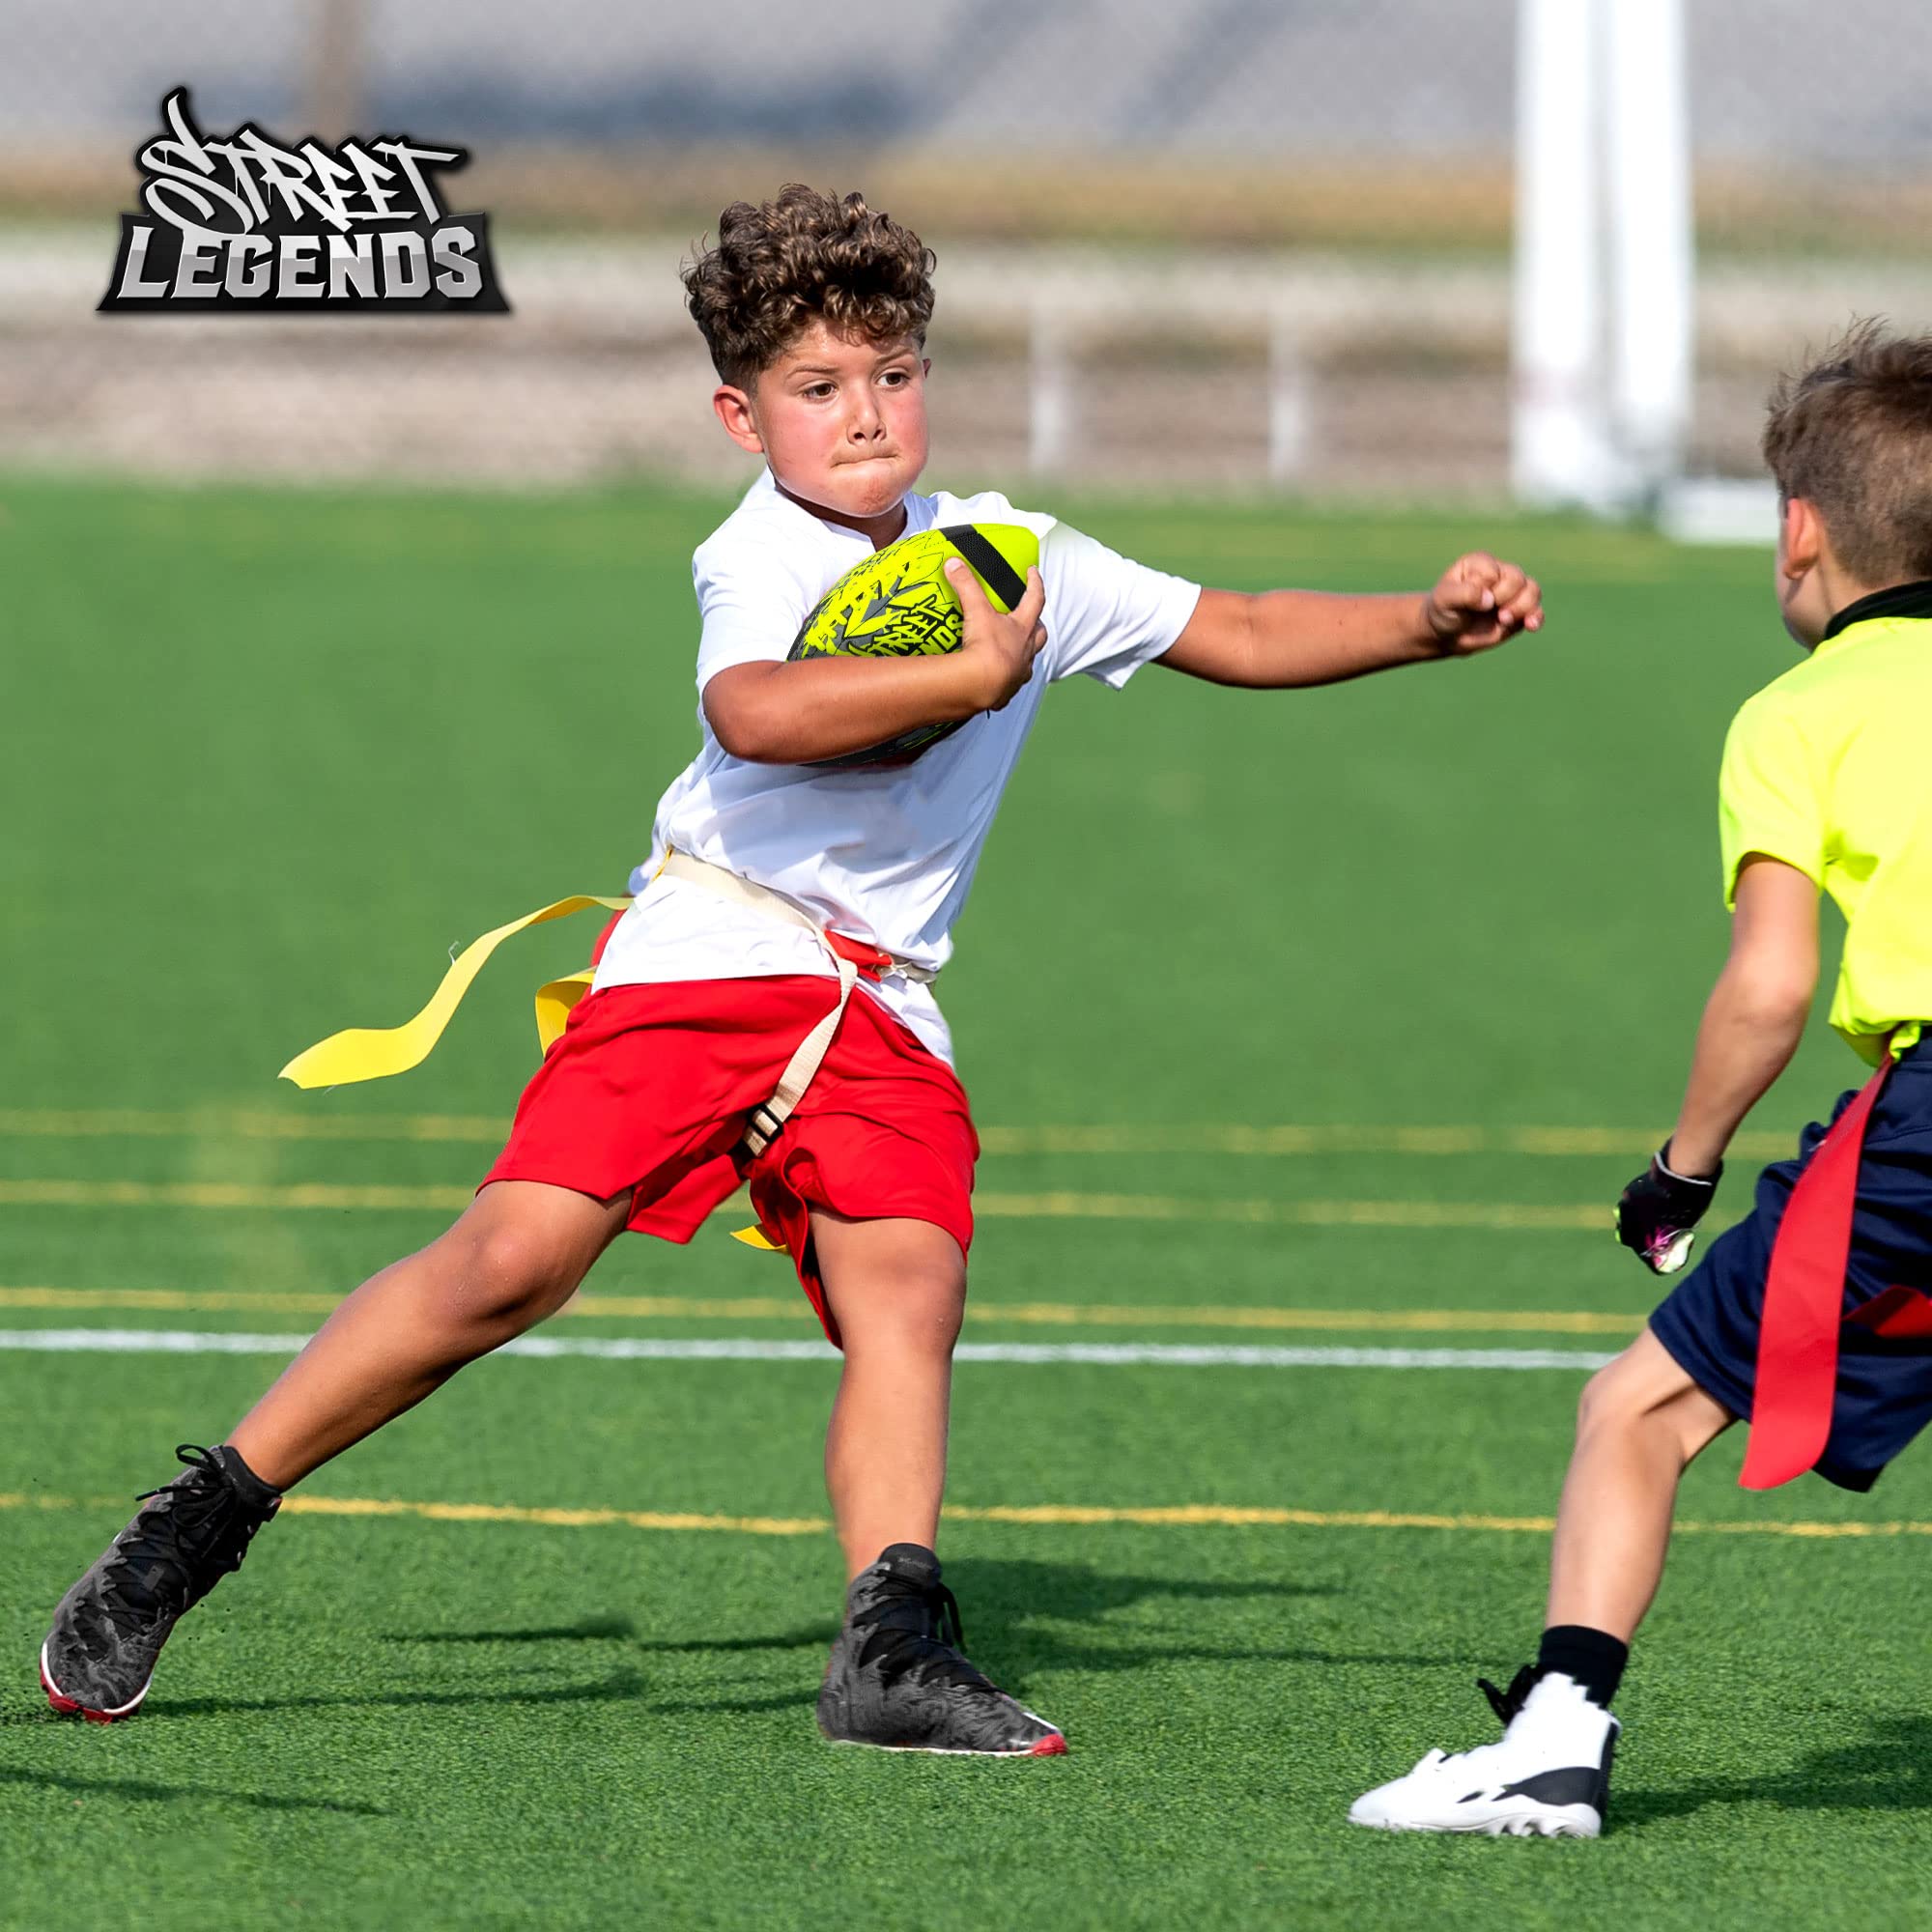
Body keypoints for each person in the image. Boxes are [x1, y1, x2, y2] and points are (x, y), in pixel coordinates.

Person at [41, 185, 1543, 1752]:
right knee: (511, 1264)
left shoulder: (1009, 556)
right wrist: (965, 678)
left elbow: (1235, 624)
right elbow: (754, 712)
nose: (865, 413)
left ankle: (891, 1643)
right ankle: (190, 1531)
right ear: (741, 418)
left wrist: (1422, 621)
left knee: (910, 1285)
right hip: (716, 948)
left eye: (893, 373)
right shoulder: (759, 552)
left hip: (877, 995)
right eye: (817, 388)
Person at [1351, 319, 1932, 1838]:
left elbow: (1772, 985)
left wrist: (1685, 1164)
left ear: (1799, 534)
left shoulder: (1800, 714)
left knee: (1639, 1409)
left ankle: (1554, 1741)